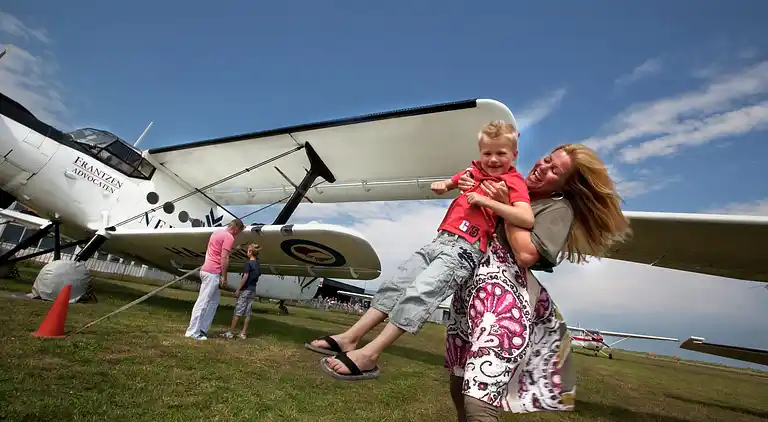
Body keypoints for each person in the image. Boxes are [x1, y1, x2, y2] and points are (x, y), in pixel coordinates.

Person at [306, 120, 535, 380]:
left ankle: (370, 354)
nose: (493, 159)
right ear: (479, 152)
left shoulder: (513, 181)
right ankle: (351, 337)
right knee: (395, 285)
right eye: (487, 153)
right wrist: (443, 185)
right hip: (440, 240)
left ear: (514, 155)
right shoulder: (473, 171)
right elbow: (450, 183)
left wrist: (486, 200)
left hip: (465, 248)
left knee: (420, 293)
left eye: (501, 153)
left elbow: (526, 219)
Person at [445, 143, 631, 421]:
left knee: (479, 399)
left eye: (555, 170)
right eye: (546, 160)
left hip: (502, 306)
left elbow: (525, 254)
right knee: (458, 386)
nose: (543, 167)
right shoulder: (513, 186)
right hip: (470, 297)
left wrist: (505, 205)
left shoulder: (557, 208)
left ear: (565, 186)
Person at [185, 218, 245, 340]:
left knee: (213, 302)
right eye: (238, 232)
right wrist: (224, 276)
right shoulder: (229, 237)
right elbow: (224, 258)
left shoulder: (217, 232)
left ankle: (202, 329)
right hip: (213, 272)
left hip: (206, 269)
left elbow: (217, 252)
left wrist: (235, 249)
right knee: (203, 302)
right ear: (235, 229)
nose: (237, 235)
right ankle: (192, 331)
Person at [221, 243, 262, 340]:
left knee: (238, 311)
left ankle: (230, 332)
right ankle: (243, 333)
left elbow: (245, 277)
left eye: (248, 250)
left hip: (245, 290)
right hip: (253, 290)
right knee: (248, 312)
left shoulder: (248, 264)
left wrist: (237, 290)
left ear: (250, 252)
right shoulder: (257, 265)